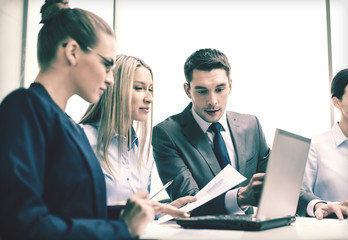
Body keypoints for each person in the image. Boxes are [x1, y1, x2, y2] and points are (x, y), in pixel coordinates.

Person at [0, 1, 154, 239]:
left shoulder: (69, 126)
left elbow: (74, 211)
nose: (111, 79)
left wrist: (129, 214)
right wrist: (121, 230)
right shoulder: (25, 108)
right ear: (72, 52)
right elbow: (21, 223)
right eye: (107, 64)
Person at [152, 48, 270, 216]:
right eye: (202, 91)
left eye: (220, 89)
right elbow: (188, 201)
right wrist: (241, 197)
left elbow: (274, 181)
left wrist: (313, 204)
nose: (213, 101)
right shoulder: (166, 134)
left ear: (230, 85)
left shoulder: (252, 125)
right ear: (187, 90)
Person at [79, 54, 196, 217]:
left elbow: (138, 215)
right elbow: (70, 211)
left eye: (150, 89)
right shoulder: (80, 139)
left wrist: (165, 210)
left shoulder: (144, 149)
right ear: (114, 88)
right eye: (139, 88)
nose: (149, 98)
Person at [299, 68, 348, 220]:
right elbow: (299, 195)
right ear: (336, 102)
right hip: (330, 230)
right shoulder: (315, 146)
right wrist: (323, 206)